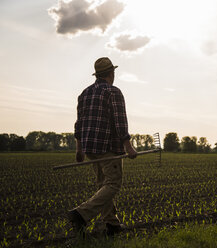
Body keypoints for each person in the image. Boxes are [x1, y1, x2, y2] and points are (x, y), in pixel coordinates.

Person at [68, 57, 137, 236]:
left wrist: (79, 148)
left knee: (103, 185)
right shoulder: (113, 92)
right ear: (111, 73)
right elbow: (120, 121)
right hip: (107, 146)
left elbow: (79, 123)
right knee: (113, 183)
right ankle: (80, 214)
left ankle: (112, 225)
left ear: (97, 74)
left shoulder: (84, 93)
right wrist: (128, 146)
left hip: (90, 147)